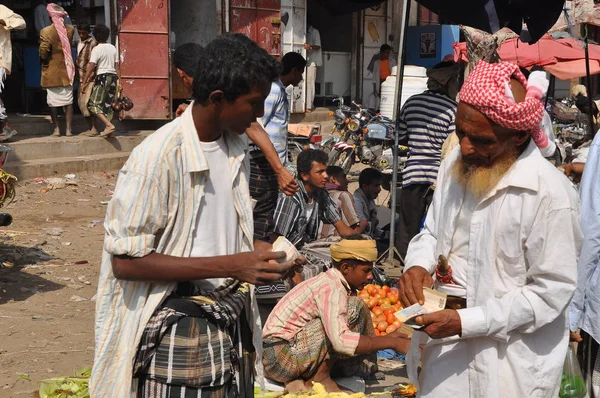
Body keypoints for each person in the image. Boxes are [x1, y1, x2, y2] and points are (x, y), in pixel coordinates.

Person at [90, 33, 296, 397]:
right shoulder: (158, 158)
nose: (260, 114)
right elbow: (126, 262)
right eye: (254, 103)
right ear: (218, 99)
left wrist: (259, 253)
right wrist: (234, 264)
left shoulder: (235, 146)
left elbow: (213, 232)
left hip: (229, 319)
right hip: (178, 327)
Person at [398, 61, 581, 398]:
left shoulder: (550, 195)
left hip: (511, 368)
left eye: (481, 140)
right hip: (447, 362)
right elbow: (433, 232)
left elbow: (548, 295)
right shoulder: (456, 165)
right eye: (460, 133)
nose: (465, 148)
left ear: (519, 135)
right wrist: (417, 265)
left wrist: (467, 322)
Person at [263, 236, 410, 393]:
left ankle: (333, 372)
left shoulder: (332, 282)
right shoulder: (331, 289)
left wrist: (384, 339)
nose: (370, 277)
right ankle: (320, 378)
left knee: (351, 309)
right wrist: (390, 343)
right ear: (346, 268)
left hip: (282, 357)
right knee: (352, 309)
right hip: (279, 360)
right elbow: (340, 341)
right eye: (366, 271)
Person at [172, 42, 298, 199]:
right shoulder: (167, 147)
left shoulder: (219, 89)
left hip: (253, 164)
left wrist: (279, 170)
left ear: (180, 74)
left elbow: (255, 127)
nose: (260, 112)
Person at [395, 60, 460, 258]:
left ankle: (402, 260)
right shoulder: (452, 109)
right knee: (436, 225)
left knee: (408, 224)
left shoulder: (411, 103)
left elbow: (401, 137)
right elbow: (451, 147)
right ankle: (431, 260)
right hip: (438, 178)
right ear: (447, 82)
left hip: (412, 173)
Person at [249, 52, 305, 241]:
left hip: (274, 160)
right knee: (263, 215)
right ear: (294, 70)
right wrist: (278, 168)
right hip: (265, 162)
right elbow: (257, 125)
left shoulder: (279, 90)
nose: (302, 78)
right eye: (301, 73)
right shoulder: (273, 90)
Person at [39, 4, 75, 137]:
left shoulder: (46, 31)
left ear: (50, 17)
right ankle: (69, 130)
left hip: (52, 71)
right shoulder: (70, 30)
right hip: (67, 70)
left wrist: (43, 61)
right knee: (68, 101)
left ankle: (56, 129)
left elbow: (43, 52)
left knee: (53, 102)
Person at [81, 24, 119, 138]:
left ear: (96, 36)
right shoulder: (112, 47)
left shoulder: (96, 49)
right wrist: (119, 81)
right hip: (113, 77)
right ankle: (108, 130)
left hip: (102, 77)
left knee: (93, 104)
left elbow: (91, 65)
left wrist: (84, 82)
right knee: (107, 104)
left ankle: (108, 125)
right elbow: (117, 65)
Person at [320, 166, 367, 239]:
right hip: (333, 243)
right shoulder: (343, 195)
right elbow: (354, 231)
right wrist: (364, 223)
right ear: (334, 179)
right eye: (343, 177)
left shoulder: (318, 195)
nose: (347, 181)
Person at [0, 6, 25, 142]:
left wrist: (3, 22)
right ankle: (6, 126)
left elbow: (21, 23)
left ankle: (6, 126)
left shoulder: (2, 10)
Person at [75, 24, 96, 134]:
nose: (81, 35)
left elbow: (93, 63)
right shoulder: (79, 42)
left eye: (84, 33)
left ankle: (93, 128)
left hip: (89, 78)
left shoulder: (92, 43)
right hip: (81, 77)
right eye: (80, 32)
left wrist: (89, 77)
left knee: (86, 103)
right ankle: (91, 128)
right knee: (81, 103)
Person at [353, 168, 384, 240]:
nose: (379, 189)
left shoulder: (369, 198)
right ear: (365, 187)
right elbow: (362, 226)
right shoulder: (357, 200)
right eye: (376, 186)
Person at [304, 21, 321, 113]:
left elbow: (318, 46)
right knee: (305, 83)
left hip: (312, 62)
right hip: (306, 61)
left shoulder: (315, 32)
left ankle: (309, 105)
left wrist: (309, 47)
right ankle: (305, 104)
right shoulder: (304, 32)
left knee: (310, 83)